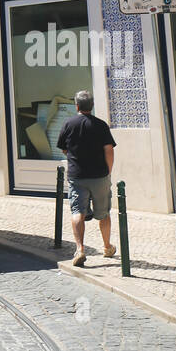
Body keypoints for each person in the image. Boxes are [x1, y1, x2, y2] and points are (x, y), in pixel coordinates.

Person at [57, 89, 117, 267]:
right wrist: (108, 170)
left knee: (77, 212)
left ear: (76, 105)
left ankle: (80, 249)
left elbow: (63, 148)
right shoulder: (100, 125)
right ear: (92, 105)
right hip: (99, 175)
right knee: (104, 213)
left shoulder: (68, 124)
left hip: (77, 176)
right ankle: (107, 247)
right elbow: (109, 149)